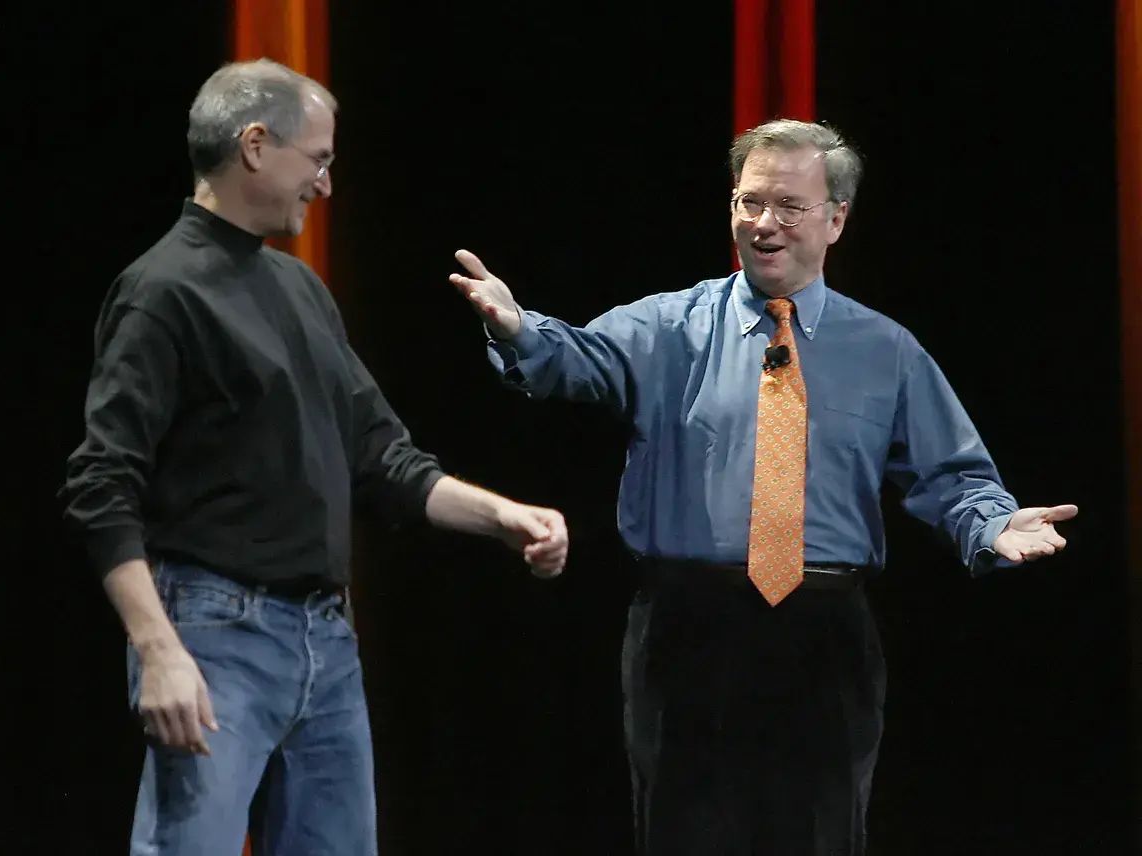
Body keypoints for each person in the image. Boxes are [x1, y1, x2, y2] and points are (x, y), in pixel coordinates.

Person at [448, 118, 1077, 856]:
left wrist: (996, 525)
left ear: (836, 219)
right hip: (689, 628)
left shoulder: (885, 350)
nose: (763, 225)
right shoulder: (669, 325)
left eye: (789, 207)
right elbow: (576, 359)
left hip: (822, 634)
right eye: (749, 203)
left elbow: (953, 475)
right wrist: (517, 329)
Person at [59, 58, 569, 856]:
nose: (326, 185)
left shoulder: (300, 290)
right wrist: (158, 651)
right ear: (255, 145)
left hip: (326, 644)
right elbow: (101, 483)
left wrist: (500, 516)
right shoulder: (162, 291)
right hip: (214, 634)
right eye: (319, 160)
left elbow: (381, 457)